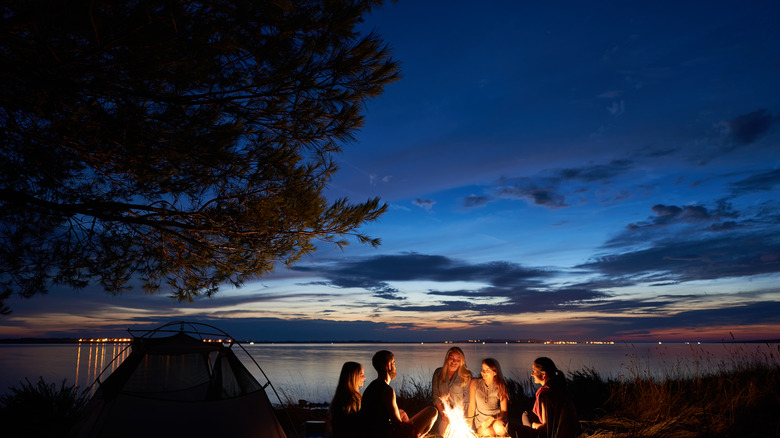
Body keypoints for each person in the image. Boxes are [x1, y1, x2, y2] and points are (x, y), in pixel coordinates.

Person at [360, 350, 438, 438]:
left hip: (372, 432)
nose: (395, 367)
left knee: (402, 413)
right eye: (394, 363)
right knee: (432, 411)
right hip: (385, 434)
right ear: (388, 365)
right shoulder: (387, 390)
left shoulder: (372, 386)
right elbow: (397, 424)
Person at [521, 357, 580, 438]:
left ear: (543, 374)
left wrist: (533, 425)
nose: (532, 374)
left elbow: (547, 427)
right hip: (569, 432)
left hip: (555, 434)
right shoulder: (559, 388)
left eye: (534, 371)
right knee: (526, 414)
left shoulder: (545, 394)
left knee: (510, 427)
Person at [431, 346, 472, 435]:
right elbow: (435, 396)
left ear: (461, 361)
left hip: (459, 414)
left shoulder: (466, 375)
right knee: (445, 432)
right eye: (452, 358)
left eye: (458, 359)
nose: (454, 362)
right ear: (447, 359)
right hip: (443, 414)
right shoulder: (438, 373)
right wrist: (443, 414)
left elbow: (466, 399)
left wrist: (459, 416)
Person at [468, 358, 509, 437]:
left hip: (496, 419)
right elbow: (472, 406)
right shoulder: (474, 383)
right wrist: (469, 425)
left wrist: (492, 418)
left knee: (499, 427)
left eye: (487, 370)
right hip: (481, 422)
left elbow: (504, 412)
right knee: (488, 432)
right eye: (483, 369)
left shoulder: (500, 385)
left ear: (495, 372)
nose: (483, 372)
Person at [330, 361, 366, 438]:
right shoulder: (352, 400)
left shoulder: (340, 397)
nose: (364, 377)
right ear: (353, 377)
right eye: (361, 374)